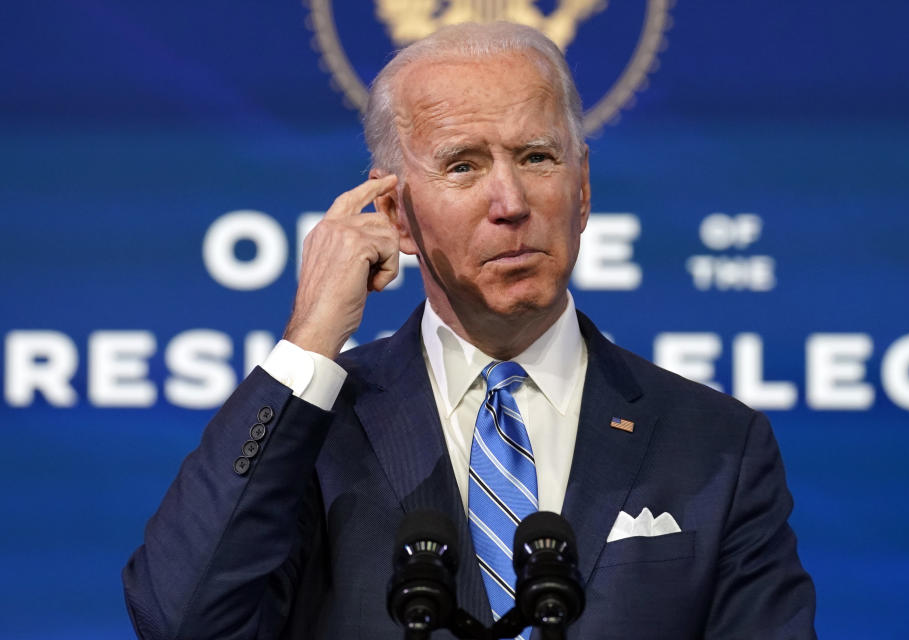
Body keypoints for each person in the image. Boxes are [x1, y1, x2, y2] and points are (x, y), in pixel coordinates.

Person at [123, 21, 816, 640]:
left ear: (581, 193)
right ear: (395, 215)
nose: (510, 204)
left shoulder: (717, 444)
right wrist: (309, 342)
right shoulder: (317, 433)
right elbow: (183, 621)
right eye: (464, 166)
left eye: (537, 158)